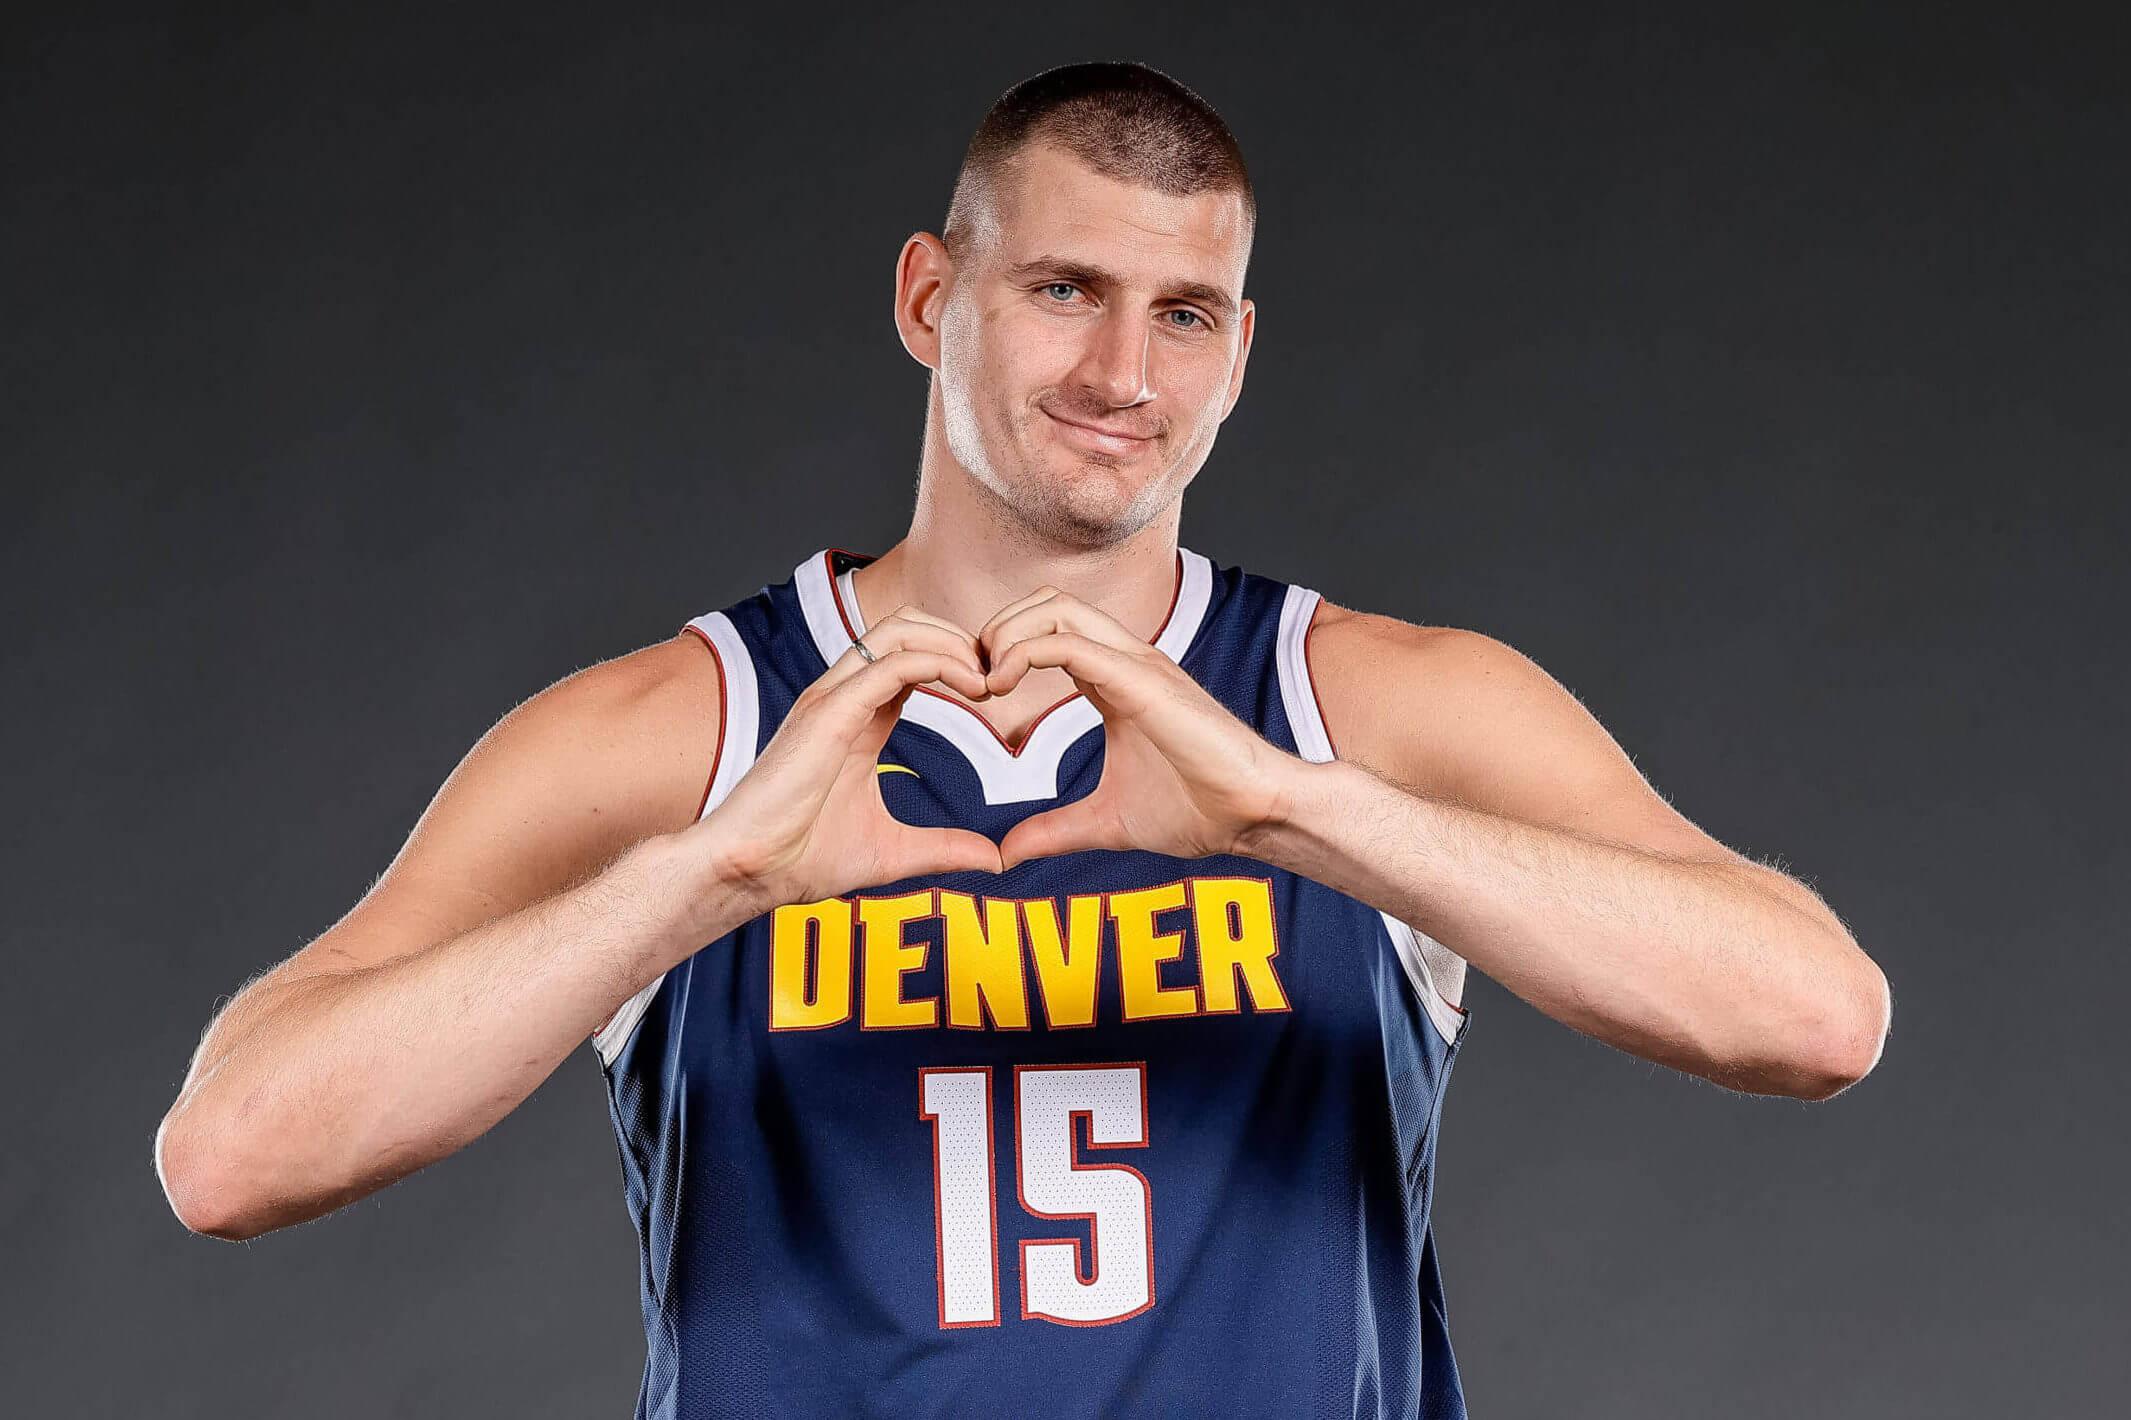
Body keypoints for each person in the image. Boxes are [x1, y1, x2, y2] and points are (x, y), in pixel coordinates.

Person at [155, 60, 1890, 1419]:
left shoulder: (1363, 710)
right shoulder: (686, 735)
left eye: (1185, 313)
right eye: (1065, 287)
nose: (1125, 373)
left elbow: (1814, 1015)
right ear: (932, 299)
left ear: (1239, 351)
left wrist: (1295, 815)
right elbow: (232, 1154)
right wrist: (709, 877)